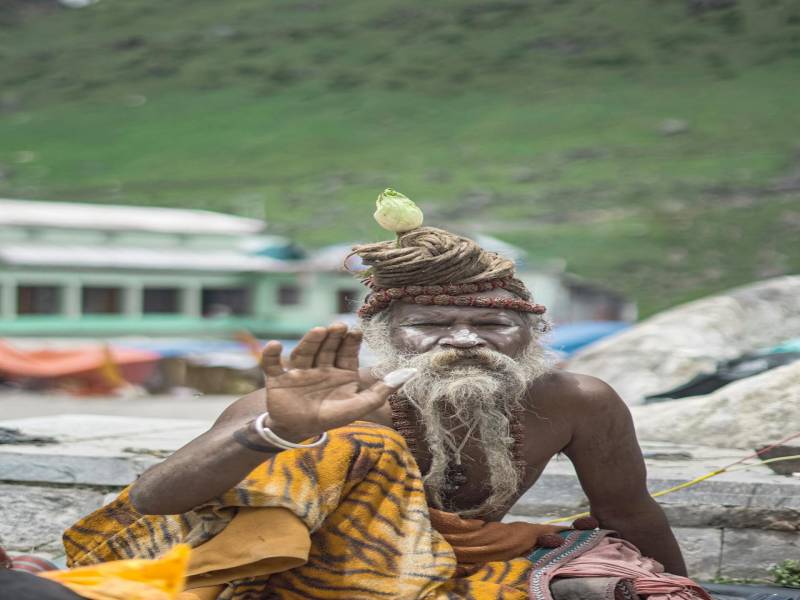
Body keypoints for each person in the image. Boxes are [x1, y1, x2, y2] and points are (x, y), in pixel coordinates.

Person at [63, 216, 704, 599]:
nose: (464, 339)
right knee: (356, 442)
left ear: (532, 335)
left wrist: (686, 588)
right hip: (303, 577)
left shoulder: (577, 402)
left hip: (450, 573)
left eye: (492, 325)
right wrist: (275, 432)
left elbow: (628, 511)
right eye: (432, 324)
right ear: (386, 335)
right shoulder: (321, 401)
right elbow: (155, 499)